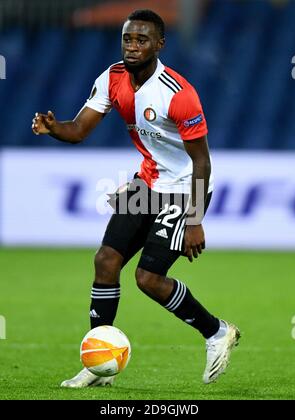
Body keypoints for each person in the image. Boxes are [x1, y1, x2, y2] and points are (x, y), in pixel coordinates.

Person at [32, 9, 240, 388]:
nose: (132, 46)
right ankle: (98, 363)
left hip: (183, 187)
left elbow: (201, 161)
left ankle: (216, 332)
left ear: (159, 45)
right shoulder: (112, 78)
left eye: (142, 40)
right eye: (128, 38)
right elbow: (78, 129)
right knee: (106, 260)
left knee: (148, 278)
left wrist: (193, 220)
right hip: (146, 183)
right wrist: (54, 128)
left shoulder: (179, 94)